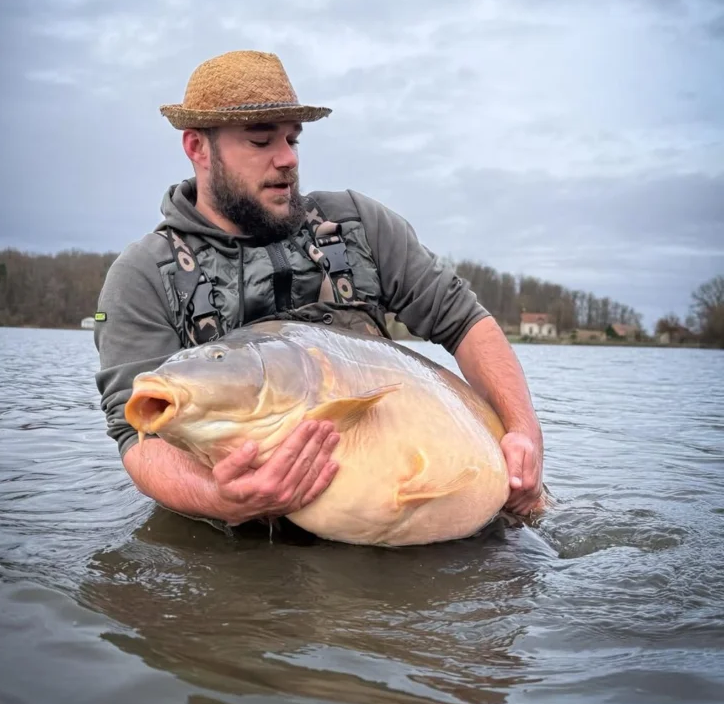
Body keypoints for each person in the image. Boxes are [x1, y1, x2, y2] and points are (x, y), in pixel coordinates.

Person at [95, 50, 544, 529]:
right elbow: (137, 436)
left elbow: (466, 323)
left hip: (405, 506)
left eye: (292, 139)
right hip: (246, 547)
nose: (287, 158)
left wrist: (524, 433)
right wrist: (219, 498)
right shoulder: (143, 274)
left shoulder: (358, 225)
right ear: (198, 148)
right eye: (261, 140)